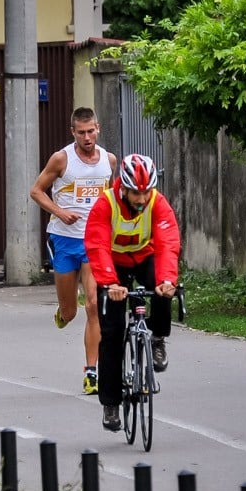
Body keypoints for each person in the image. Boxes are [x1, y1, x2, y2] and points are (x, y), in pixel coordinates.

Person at [84, 153, 180, 432]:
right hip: (113, 264)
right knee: (112, 332)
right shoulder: (105, 204)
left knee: (163, 291)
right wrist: (110, 284)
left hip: (145, 257)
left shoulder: (158, 204)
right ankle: (111, 403)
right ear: (122, 188)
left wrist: (166, 280)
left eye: (146, 192)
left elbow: (167, 244)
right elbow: (97, 246)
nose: (141, 199)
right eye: (136, 193)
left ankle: (158, 337)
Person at [30, 107, 118, 395]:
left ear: (98, 128)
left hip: (94, 241)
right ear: (73, 133)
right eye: (81, 132)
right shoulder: (61, 159)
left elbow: (111, 195)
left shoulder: (109, 161)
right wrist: (60, 211)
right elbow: (36, 191)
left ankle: (91, 371)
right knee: (71, 312)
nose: (87, 137)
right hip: (64, 239)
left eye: (91, 130)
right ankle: (63, 313)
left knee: (93, 304)